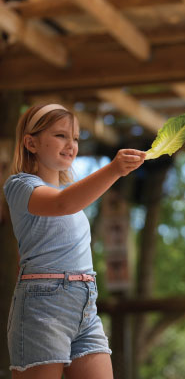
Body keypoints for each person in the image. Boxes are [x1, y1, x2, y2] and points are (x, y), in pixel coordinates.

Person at [3, 103, 145, 378]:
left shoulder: (72, 195)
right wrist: (114, 169)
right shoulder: (19, 185)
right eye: (61, 136)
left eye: (76, 138)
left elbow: (68, 200)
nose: (71, 144)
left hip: (85, 305)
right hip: (41, 304)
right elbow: (61, 204)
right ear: (31, 143)